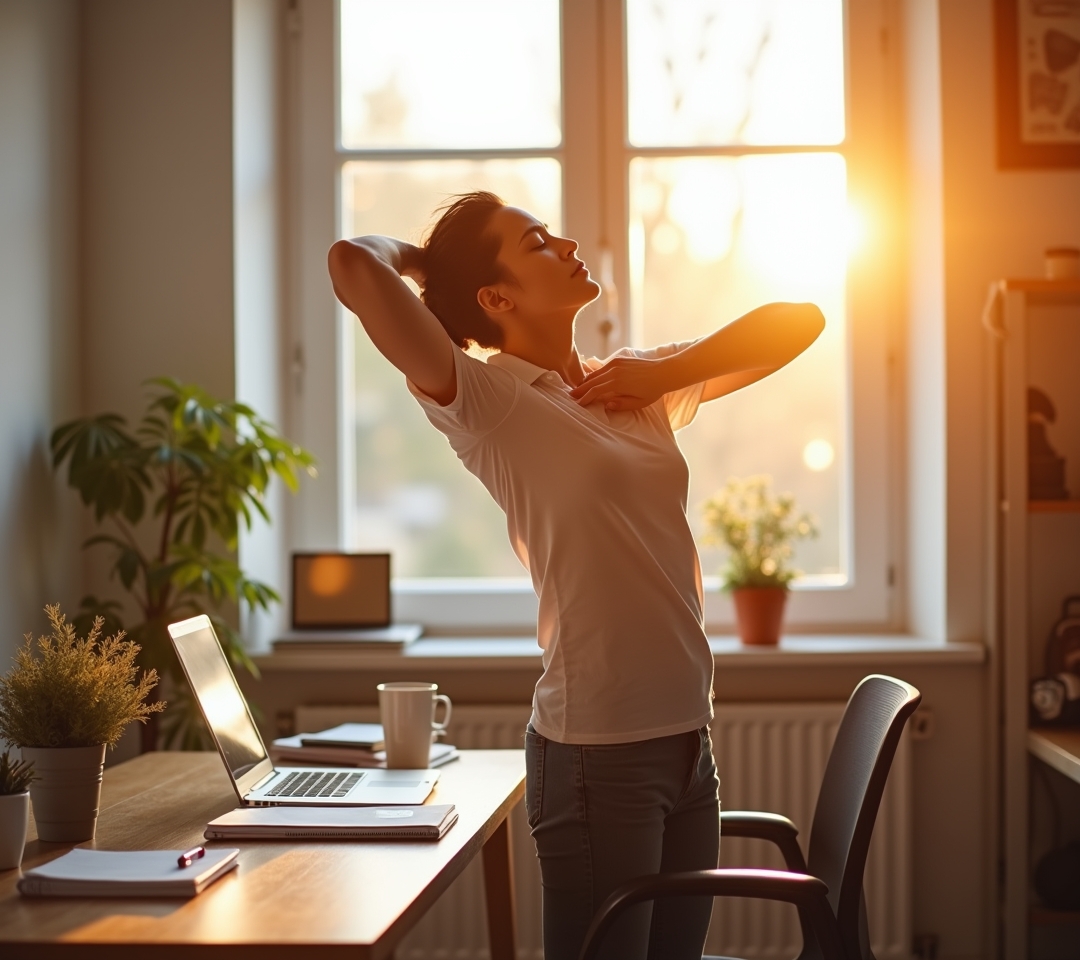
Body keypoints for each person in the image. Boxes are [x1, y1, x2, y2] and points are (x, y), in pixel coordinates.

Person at [327, 191, 824, 960]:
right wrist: (433, 263)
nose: (565, 242)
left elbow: (801, 321)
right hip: (599, 753)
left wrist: (666, 374)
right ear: (496, 297)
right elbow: (353, 265)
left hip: (689, 741)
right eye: (535, 242)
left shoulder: (631, 383)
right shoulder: (490, 401)